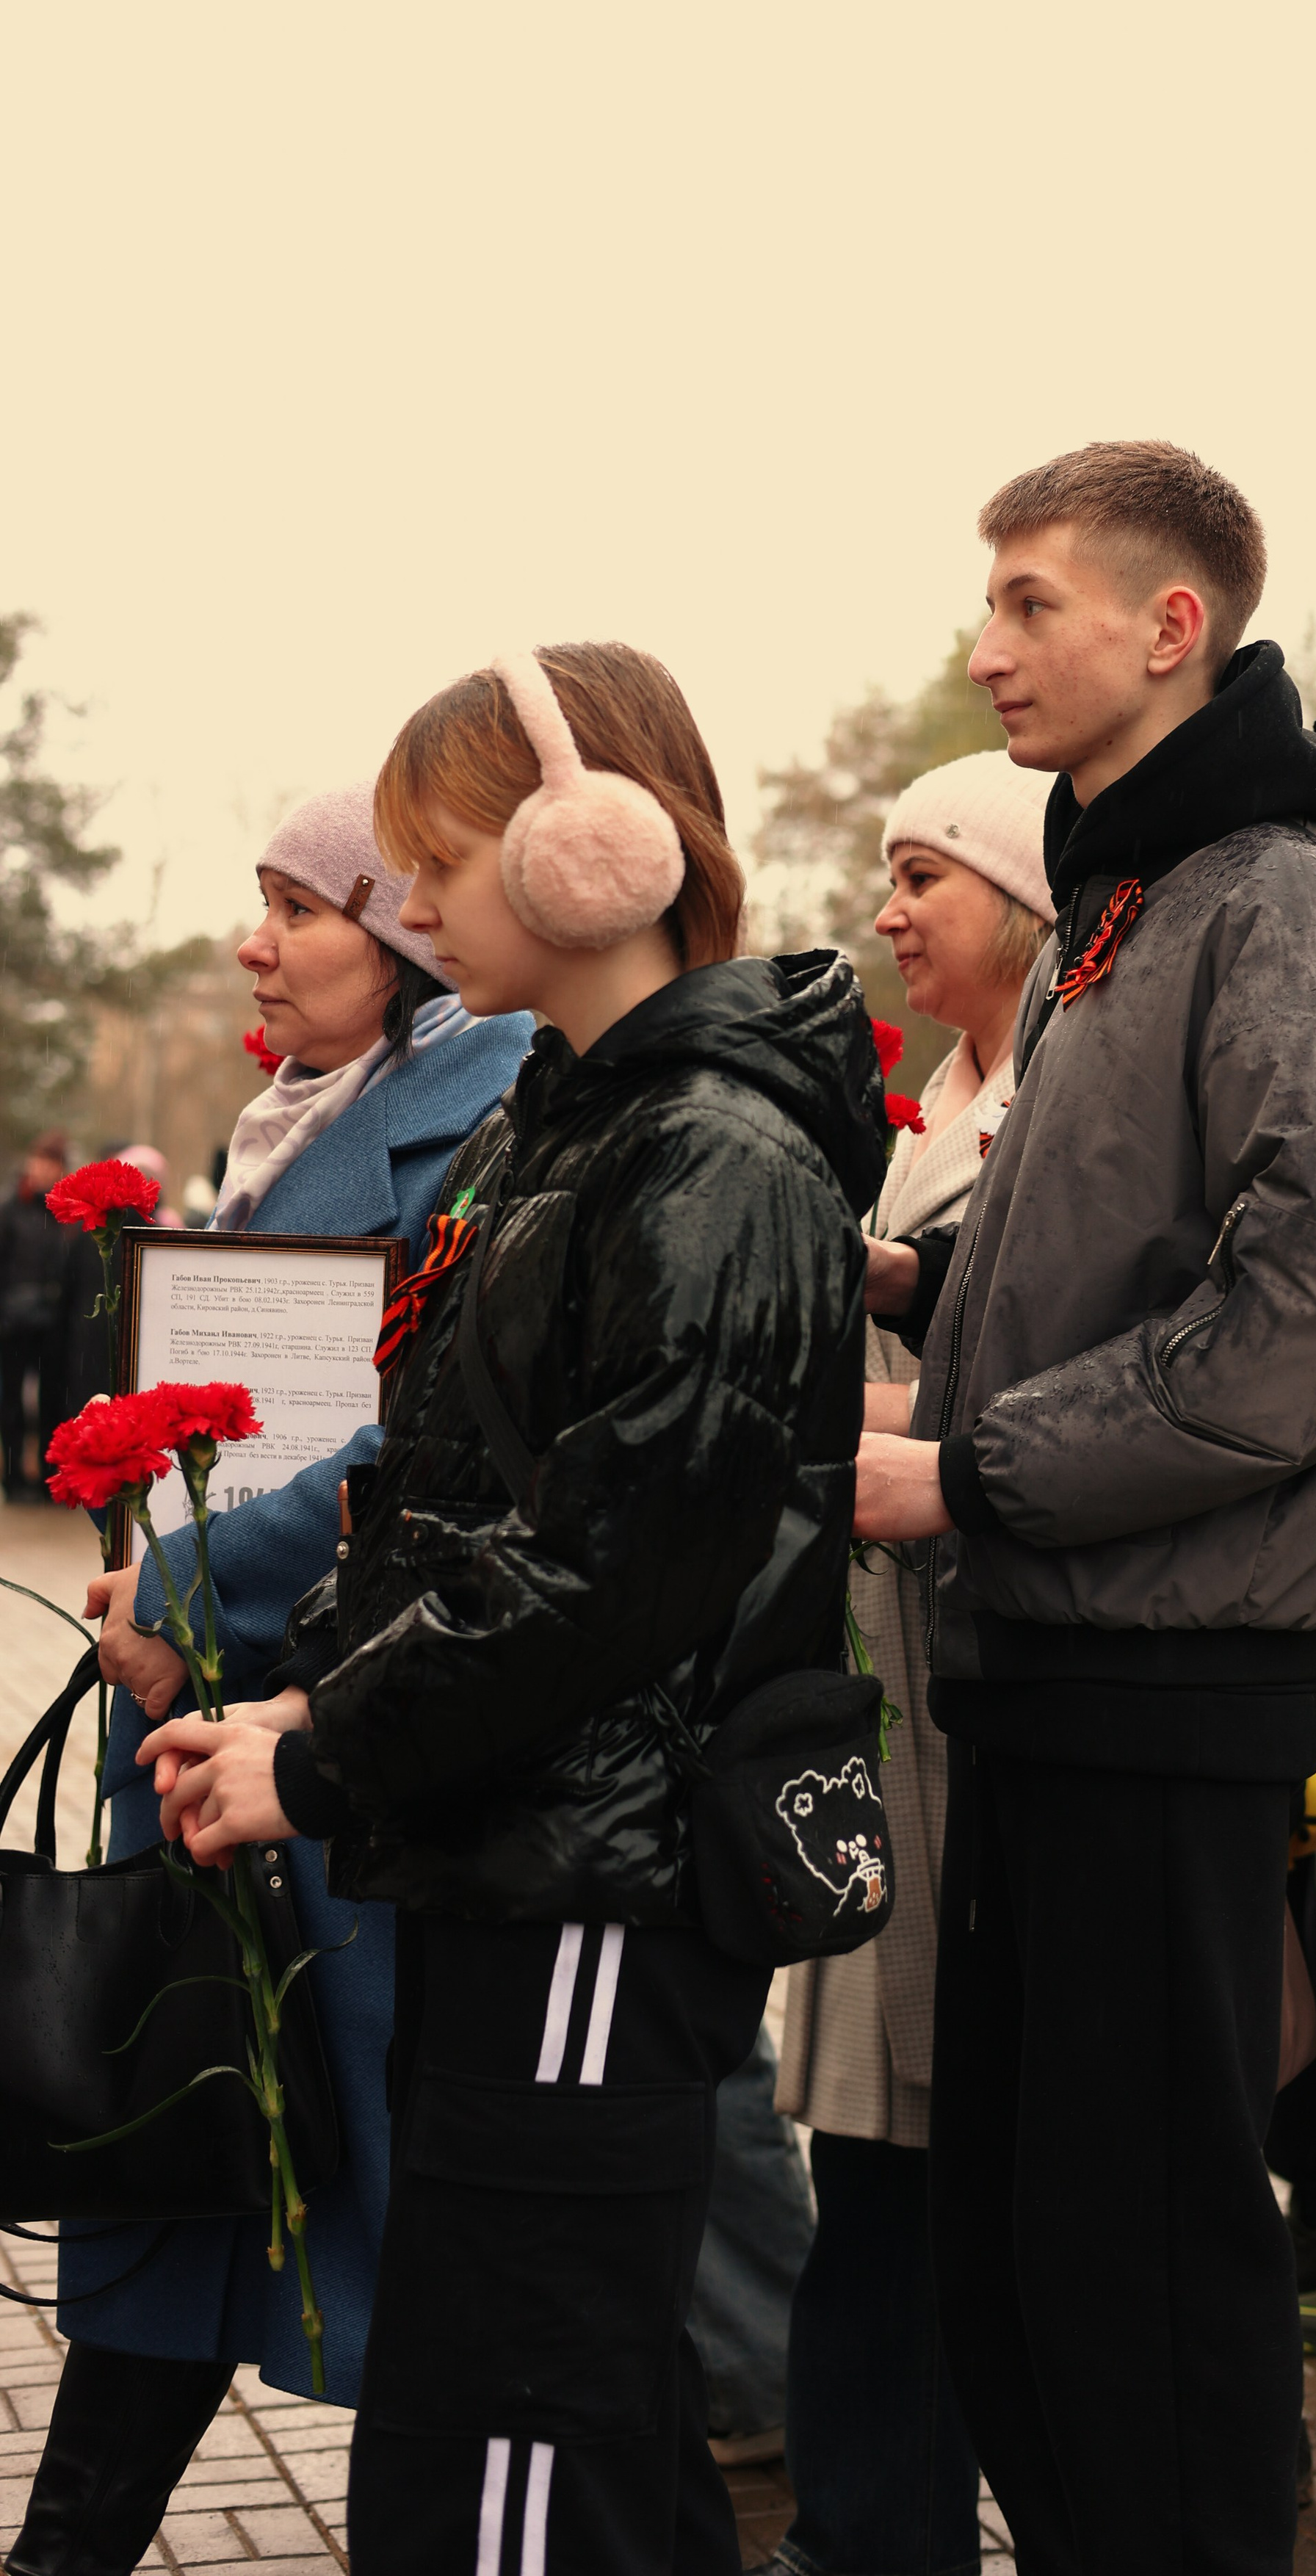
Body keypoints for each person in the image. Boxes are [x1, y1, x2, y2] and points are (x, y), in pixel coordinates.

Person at [139, 643, 880, 2576]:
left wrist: (324, 1764)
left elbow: (612, 1580)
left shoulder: (705, 1159)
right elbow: (452, 1503)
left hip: (591, 1884)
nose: (413, 906)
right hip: (511, 1858)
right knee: (548, 2428)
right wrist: (303, 1713)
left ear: (589, 849)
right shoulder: (557, 1126)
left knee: (515, 2449)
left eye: (435, 859)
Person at [855, 441, 1316, 2576]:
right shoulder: (1134, 903)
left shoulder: (1281, 909)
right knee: (1025, 2284)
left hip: (1165, 1689)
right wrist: (900, 1282)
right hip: (1046, 1670)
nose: (987, 644)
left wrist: (967, 1468)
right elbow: (1119, 1265)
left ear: (1169, 626)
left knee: (1143, 2299)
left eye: (1029, 601)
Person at [7, 789, 534, 2576]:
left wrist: (184, 1575)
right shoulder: (277, 1120)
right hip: (203, 1721)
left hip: (335, 1724)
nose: (256, 943)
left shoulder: (484, 1121)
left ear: (399, 934)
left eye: (297, 907)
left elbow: (424, 1438)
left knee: (376, 2206)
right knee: (178, 2152)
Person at [773, 745, 1053, 2576]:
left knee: (952, 2157)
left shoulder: (1060, 1109)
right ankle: (865, 2517)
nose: (886, 914)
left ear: (1028, 903)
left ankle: (891, 2521)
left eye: (922, 877)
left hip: (981, 1694)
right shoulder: (930, 1104)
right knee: (870, 2151)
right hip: (879, 1679)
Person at [0, 1130, 78, 1499]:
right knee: (11, 1404)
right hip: (13, 1324)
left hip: (54, 1327)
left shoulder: (67, 1215)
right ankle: (13, 1478)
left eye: (53, 1163)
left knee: (53, 1404)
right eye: (41, 1160)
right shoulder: (11, 1210)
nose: (44, 1168)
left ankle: (50, 1478)